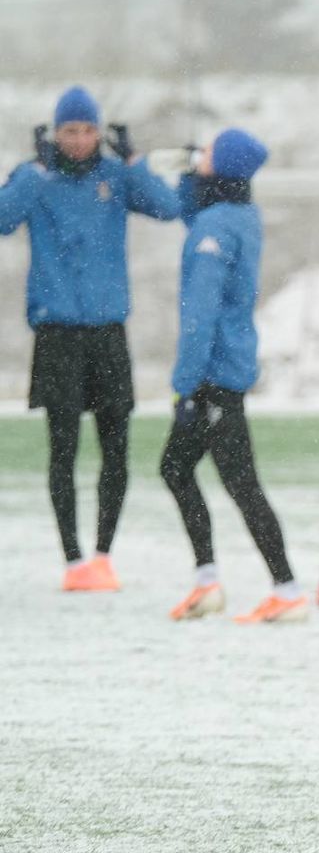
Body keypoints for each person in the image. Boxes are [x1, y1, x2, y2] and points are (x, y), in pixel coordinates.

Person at [0, 85, 181, 591]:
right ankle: (73, 560)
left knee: (116, 447)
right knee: (63, 449)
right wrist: (32, 175)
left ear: (99, 132)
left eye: (87, 130)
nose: (79, 139)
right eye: (70, 130)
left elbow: (168, 207)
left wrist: (137, 159)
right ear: (55, 133)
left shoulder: (115, 177)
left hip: (107, 333)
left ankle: (104, 554)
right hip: (58, 335)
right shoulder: (34, 178)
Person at [161, 129, 307, 624]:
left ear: (221, 167)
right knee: (178, 470)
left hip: (215, 375)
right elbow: (193, 212)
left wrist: (186, 384)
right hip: (224, 369)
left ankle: (284, 589)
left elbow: (200, 312)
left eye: (205, 154)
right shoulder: (233, 213)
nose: (197, 156)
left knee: (239, 482)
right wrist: (186, 174)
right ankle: (210, 583)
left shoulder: (217, 226)